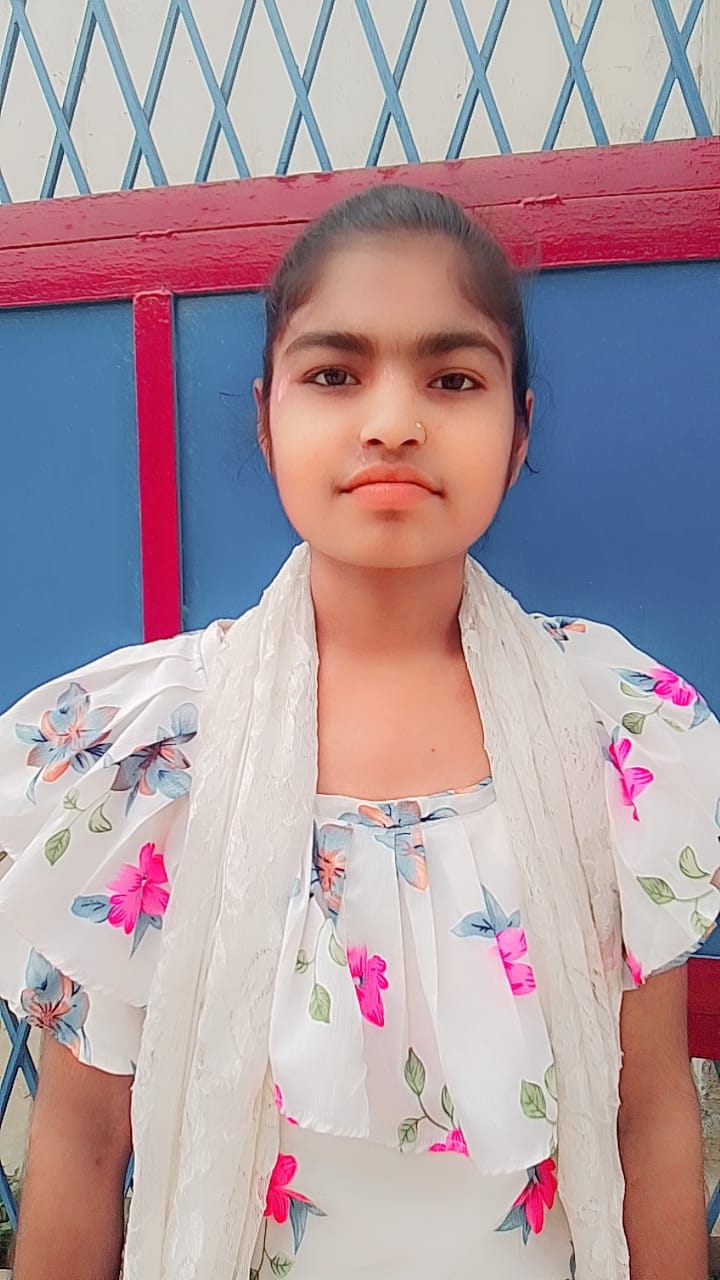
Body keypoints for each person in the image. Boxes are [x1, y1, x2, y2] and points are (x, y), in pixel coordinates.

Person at [0, 184, 717, 1280]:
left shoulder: (610, 729)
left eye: (453, 378)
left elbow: (651, 1112)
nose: (392, 421)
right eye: (335, 374)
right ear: (267, 418)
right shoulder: (153, 749)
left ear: (520, 429)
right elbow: (86, 1142)